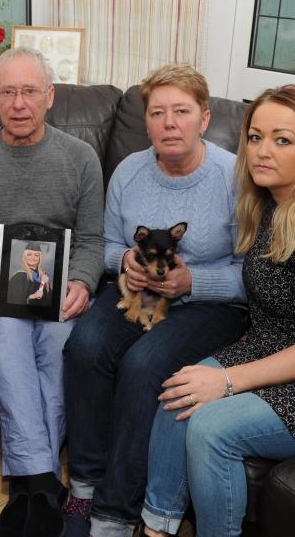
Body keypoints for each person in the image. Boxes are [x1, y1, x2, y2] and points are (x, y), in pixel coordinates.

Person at [141, 85, 295, 537]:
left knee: (211, 427)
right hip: (273, 347)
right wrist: (213, 372)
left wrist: (226, 380)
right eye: (255, 137)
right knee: (177, 393)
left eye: (282, 139)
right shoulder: (272, 206)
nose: (262, 151)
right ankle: (157, 527)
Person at [62, 64, 248, 537]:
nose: (169, 123)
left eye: (181, 111)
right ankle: (83, 488)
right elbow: (103, 246)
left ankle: (115, 514)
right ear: (145, 121)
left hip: (211, 306)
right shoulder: (129, 171)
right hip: (134, 292)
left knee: (144, 365)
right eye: (158, 112)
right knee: (85, 345)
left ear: (204, 119)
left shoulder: (234, 178)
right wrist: (125, 259)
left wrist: (193, 284)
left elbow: (255, 276)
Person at [0, 47, 105, 537]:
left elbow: (93, 238)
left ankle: (27, 484)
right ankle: (41, 481)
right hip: (1, 288)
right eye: (8, 92)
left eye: (30, 91)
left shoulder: (80, 158)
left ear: (49, 97)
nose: (20, 103)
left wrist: (81, 280)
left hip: (59, 289)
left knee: (58, 351)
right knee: (12, 347)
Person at [6, 242, 52, 306]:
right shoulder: (19, 276)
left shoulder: (42, 275)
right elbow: (13, 301)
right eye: (29, 254)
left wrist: (47, 284)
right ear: (25, 257)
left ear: (39, 258)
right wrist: (32, 296)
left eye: (36, 255)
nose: (33, 257)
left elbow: (49, 300)